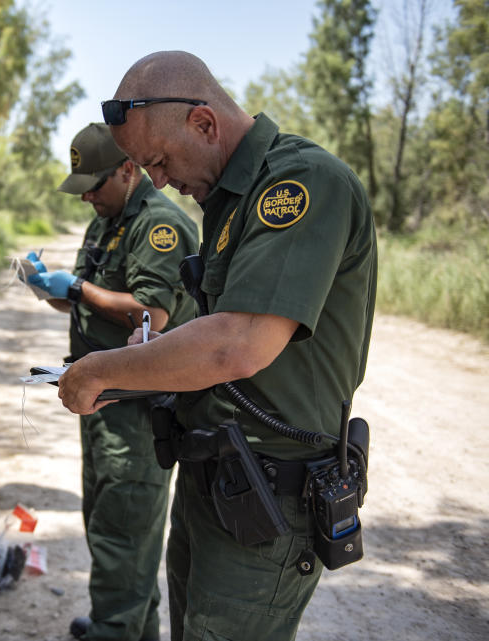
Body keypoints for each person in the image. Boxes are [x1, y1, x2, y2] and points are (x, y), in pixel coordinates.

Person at [57, 51, 377, 641]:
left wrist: (104, 367)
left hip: (268, 495)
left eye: (158, 161)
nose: (155, 182)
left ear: (204, 123)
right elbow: (218, 330)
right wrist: (157, 349)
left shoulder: (299, 183)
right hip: (216, 481)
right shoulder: (227, 198)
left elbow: (240, 343)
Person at [26, 123, 198, 641]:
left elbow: (152, 313)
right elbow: (88, 296)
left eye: (95, 187)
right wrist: (47, 287)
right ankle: (128, 625)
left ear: (128, 170)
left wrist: (76, 288)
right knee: (107, 522)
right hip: (101, 403)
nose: (89, 200)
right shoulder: (108, 220)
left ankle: (114, 628)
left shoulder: (158, 224)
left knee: (123, 530)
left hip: (139, 412)